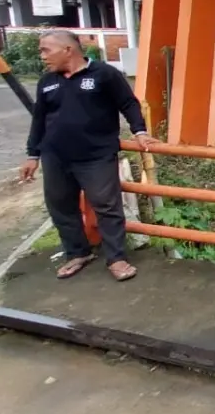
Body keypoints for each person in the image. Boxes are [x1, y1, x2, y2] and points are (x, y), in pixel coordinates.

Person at [19, 31, 158, 281]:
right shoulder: (47, 81)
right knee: (60, 206)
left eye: (46, 50)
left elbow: (128, 103)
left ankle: (116, 258)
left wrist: (139, 131)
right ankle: (77, 253)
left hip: (96, 155)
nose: (42, 57)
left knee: (107, 206)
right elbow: (39, 119)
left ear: (68, 50)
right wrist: (33, 154)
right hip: (56, 156)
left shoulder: (104, 74)